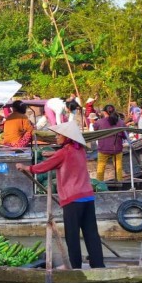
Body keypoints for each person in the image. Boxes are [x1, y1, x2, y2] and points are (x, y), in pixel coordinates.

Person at [16, 122, 105, 269]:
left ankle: (74, 266)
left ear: (67, 137)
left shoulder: (64, 153)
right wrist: (53, 154)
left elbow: (44, 167)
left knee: (72, 235)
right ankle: (99, 265)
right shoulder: (80, 149)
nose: (56, 137)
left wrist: (26, 167)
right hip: (87, 197)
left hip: (73, 199)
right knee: (91, 233)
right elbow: (64, 156)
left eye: (59, 135)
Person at [93, 104, 127, 181]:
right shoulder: (121, 122)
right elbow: (125, 136)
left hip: (103, 149)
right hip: (117, 149)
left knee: (100, 168)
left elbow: (95, 130)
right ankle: (120, 184)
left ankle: (99, 186)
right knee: (118, 168)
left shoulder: (99, 122)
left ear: (105, 112)